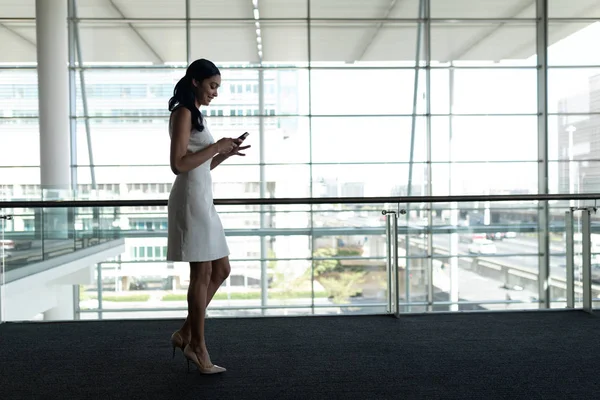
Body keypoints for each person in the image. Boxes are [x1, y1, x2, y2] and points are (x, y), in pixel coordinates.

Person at [166, 58, 250, 374]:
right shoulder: (183, 113)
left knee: (221, 269)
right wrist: (216, 146)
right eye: (212, 85)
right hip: (191, 201)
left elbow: (199, 164)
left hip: (202, 198)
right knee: (201, 275)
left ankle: (187, 333)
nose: (215, 92)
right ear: (195, 82)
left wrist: (223, 154)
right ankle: (197, 347)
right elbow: (178, 164)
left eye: (217, 87)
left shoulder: (195, 115)